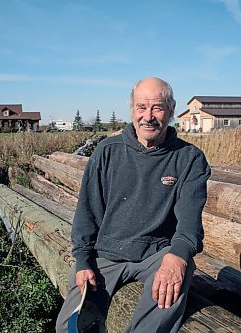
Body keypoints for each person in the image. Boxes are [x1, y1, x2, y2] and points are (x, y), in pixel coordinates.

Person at [56, 77, 211, 333]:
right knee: (69, 328)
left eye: (157, 108)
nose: (148, 116)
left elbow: (190, 221)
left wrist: (178, 257)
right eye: (141, 107)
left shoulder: (189, 158)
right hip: (107, 253)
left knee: (175, 279)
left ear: (171, 111)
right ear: (132, 110)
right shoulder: (108, 151)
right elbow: (87, 212)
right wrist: (83, 261)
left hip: (156, 254)